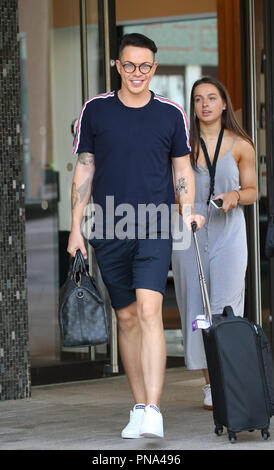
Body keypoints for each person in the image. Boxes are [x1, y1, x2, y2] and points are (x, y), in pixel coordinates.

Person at [67, 33, 204, 439]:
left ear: (155, 67)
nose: (137, 73)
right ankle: (139, 404)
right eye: (129, 65)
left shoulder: (170, 113)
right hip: (109, 228)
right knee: (126, 317)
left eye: (145, 66)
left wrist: (188, 210)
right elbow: (85, 169)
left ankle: (154, 409)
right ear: (117, 65)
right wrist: (75, 227)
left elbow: (182, 169)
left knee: (148, 310)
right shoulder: (96, 110)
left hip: (155, 224)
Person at [172, 76, 257, 410]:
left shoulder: (240, 145)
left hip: (228, 235)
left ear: (224, 104)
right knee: (196, 309)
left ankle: (228, 380)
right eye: (197, 99)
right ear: (193, 107)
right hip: (189, 237)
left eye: (211, 98)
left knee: (226, 308)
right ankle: (210, 385)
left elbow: (253, 191)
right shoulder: (181, 146)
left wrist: (235, 195)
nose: (204, 104)